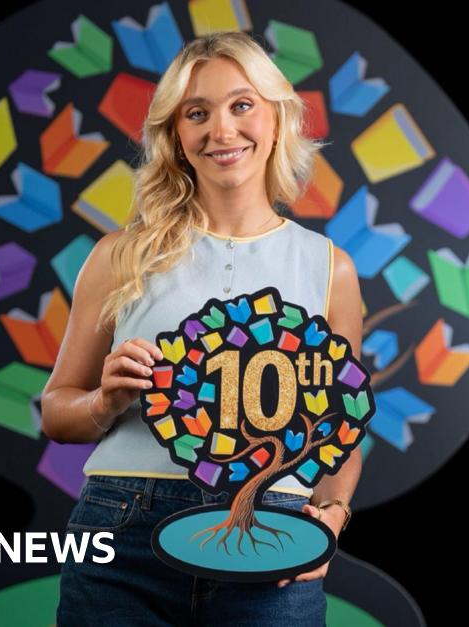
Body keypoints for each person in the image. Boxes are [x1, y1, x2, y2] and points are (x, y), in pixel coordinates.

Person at [42, 31, 363, 626]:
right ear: (176, 136)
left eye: (241, 105)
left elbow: (340, 430)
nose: (222, 131)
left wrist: (332, 514)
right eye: (197, 113)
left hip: (275, 531)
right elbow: (56, 412)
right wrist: (105, 401)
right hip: (123, 529)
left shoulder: (330, 268)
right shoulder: (120, 255)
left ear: (276, 117)